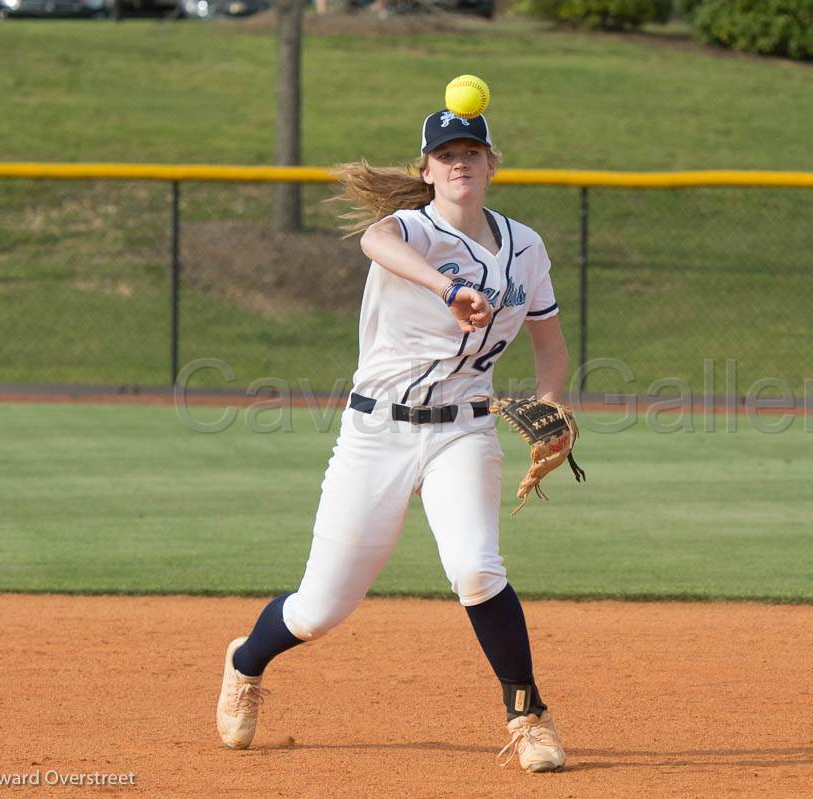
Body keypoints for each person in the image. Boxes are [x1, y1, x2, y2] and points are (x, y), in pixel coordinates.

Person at [214, 108, 570, 773]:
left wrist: (550, 403)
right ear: (427, 171)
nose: (460, 162)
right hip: (376, 433)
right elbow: (376, 241)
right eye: (446, 154)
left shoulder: (527, 246)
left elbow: (550, 345)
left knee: (476, 568)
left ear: (493, 164)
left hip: (463, 430)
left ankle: (529, 715)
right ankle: (246, 660)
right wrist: (447, 287)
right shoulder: (412, 230)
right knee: (318, 609)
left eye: (472, 151)